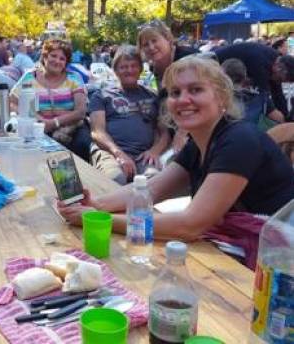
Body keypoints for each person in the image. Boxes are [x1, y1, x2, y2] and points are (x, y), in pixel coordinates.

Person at [58, 57, 294, 243]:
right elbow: (149, 189)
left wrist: (99, 219)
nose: (183, 100)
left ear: (221, 98)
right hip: (248, 242)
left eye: (196, 90)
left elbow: (190, 226)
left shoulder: (239, 139)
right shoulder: (200, 142)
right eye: (175, 93)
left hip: (280, 257)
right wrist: (96, 205)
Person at [89, 46, 169, 184]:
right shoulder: (101, 95)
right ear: (115, 70)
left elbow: (164, 131)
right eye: (123, 67)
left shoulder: (152, 96)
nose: (129, 70)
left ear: (141, 70)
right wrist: (119, 154)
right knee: (115, 179)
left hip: (144, 155)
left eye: (134, 66)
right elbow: (97, 132)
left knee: (154, 182)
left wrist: (155, 151)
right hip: (110, 152)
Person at [10, 39, 91, 160]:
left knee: (82, 145)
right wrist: (38, 119)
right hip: (38, 128)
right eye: (53, 56)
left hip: (72, 128)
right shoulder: (30, 77)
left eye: (62, 59)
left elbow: (81, 112)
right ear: (44, 56)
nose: (57, 61)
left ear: (66, 63)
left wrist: (54, 123)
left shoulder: (74, 78)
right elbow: (11, 102)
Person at [137, 19, 198, 90]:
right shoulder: (150, 70)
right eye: (146, 44)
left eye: (154, 41)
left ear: (168, 38)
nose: (151, 47)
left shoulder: (189, 59)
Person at [221, 57, 284, 124]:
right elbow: (280, 118)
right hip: (251, 132)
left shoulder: (218, 98)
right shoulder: (260, 97)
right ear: (245, 75)